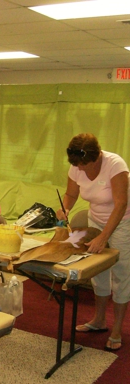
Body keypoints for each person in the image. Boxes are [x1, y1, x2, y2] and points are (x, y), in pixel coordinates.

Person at [57, 133, 130, 351]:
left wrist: (103, 236)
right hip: (95, 219)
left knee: (121, 273)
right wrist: (66, 208)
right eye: (79, 166)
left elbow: (121, 204)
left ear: (97, 156)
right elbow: (71, 193)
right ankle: (99, 320)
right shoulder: (76, 166)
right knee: (97, 270)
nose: (83, 170)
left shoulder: (116, 165)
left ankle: (117, 328)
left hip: (122, 222)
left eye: (86, 165)